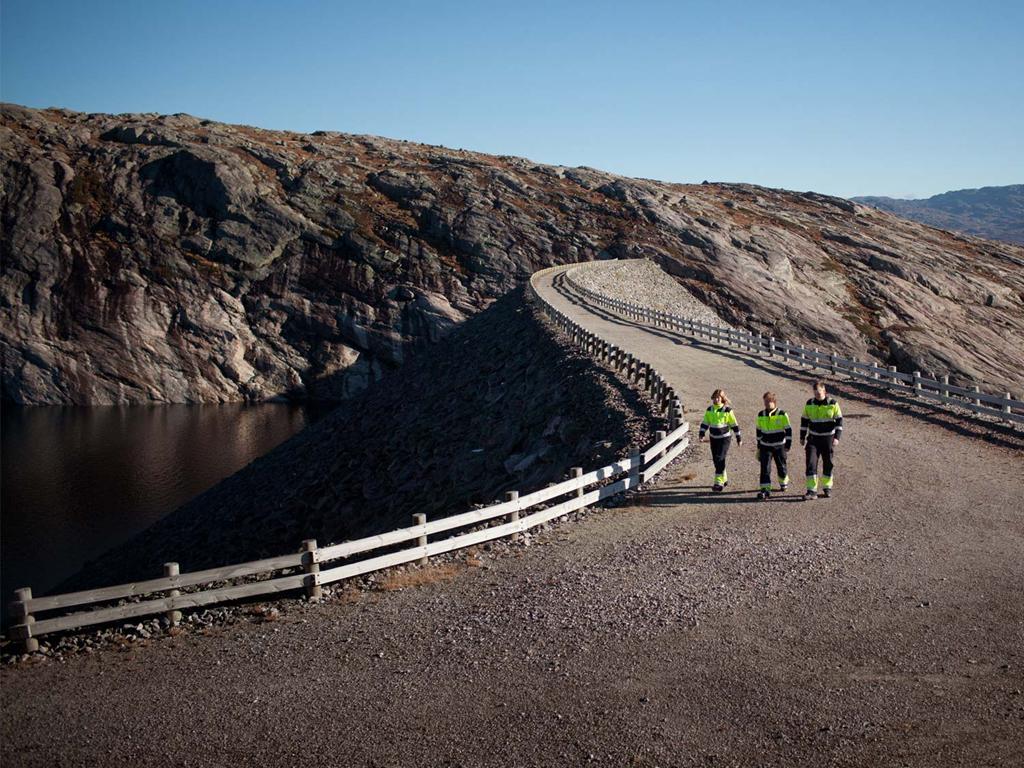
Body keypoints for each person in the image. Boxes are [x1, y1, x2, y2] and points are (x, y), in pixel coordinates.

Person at [800, 379, 843, 499]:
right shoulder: (809, 403)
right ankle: (811, 491)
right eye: (815, 393)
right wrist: (802, 437)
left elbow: (839, 421)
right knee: (811, 463)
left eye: (819, 392)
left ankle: (827, 487)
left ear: (824, 391)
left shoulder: (833, 403)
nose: (817, 395)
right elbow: (804, 420)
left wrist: (837, 438)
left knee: (828, 463)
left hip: (828, 439)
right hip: (813, 439)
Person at [698, 388, 742, 492]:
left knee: (719, 458)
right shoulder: (710, 410)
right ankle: (724, 478)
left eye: (718, 398)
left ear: (722, 399)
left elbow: (734, 425)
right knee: (716, 460)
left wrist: (738, 438)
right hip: (713, 438)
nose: (716, 399)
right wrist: (701, 433)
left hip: (725, 439)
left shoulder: (727, 410)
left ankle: (718, 483)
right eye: (714, 397)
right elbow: (705, 422)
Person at [755, 391, 792, 501]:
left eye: (769, 401)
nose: (766, 404)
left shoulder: (782, 414)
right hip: (765, 446)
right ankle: (765, 490)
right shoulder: (761, 414)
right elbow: (758, 430)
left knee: (781, 467)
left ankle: (783, 481)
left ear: (774, 402)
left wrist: (788, 444)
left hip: (779, 446)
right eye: (765, 401)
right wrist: (759, 446)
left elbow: (788, 430)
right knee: (765, 468)